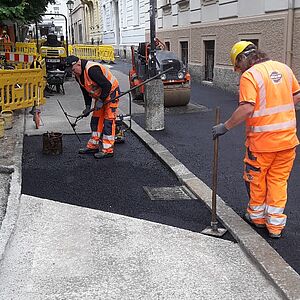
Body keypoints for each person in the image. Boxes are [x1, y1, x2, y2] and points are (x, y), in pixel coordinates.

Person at [212, 41, 300, 238]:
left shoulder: (250, 75)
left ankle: (257, 218)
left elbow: (247, 108)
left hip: (262, 143)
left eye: (237, 65)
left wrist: (224, 127)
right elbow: (296, 95)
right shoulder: (283, 68)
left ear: (243, 59)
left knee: (256, 180)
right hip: (287, 141)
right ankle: (275, 226)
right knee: (278, 181)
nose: (238, 70)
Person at [66, 55, 121, 159]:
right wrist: (87, 106)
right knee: (95, 120)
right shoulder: (78, 75)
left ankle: (108, 150)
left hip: (111, 92)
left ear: (78, 64)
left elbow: (107, 85)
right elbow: (85, 91)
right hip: (101, 95)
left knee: (108, 121)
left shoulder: (92, 70)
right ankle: (93, 146)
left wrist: (100, 101)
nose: (73, 73)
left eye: (73, 70)